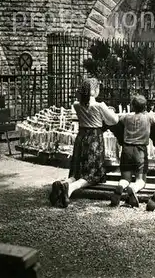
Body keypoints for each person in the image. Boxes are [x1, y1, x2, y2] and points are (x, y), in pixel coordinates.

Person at [49, 77, 118, 208]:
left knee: (78, 171)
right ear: (94, 90)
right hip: (94, 139)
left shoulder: (77, 105)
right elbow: (113, 121)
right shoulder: (100, 106)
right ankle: (69, 189)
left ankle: (64, 183)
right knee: (92, 174)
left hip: (81, 137)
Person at [110, 95, 155, 208]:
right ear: (145, 106)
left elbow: (118, 120)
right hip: (140, 150)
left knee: (125, 178)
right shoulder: (148, 117)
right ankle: (134, 188)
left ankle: (121, 186)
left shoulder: (126, 118)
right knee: (141, 180)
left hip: (126, 149)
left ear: (132, 106)